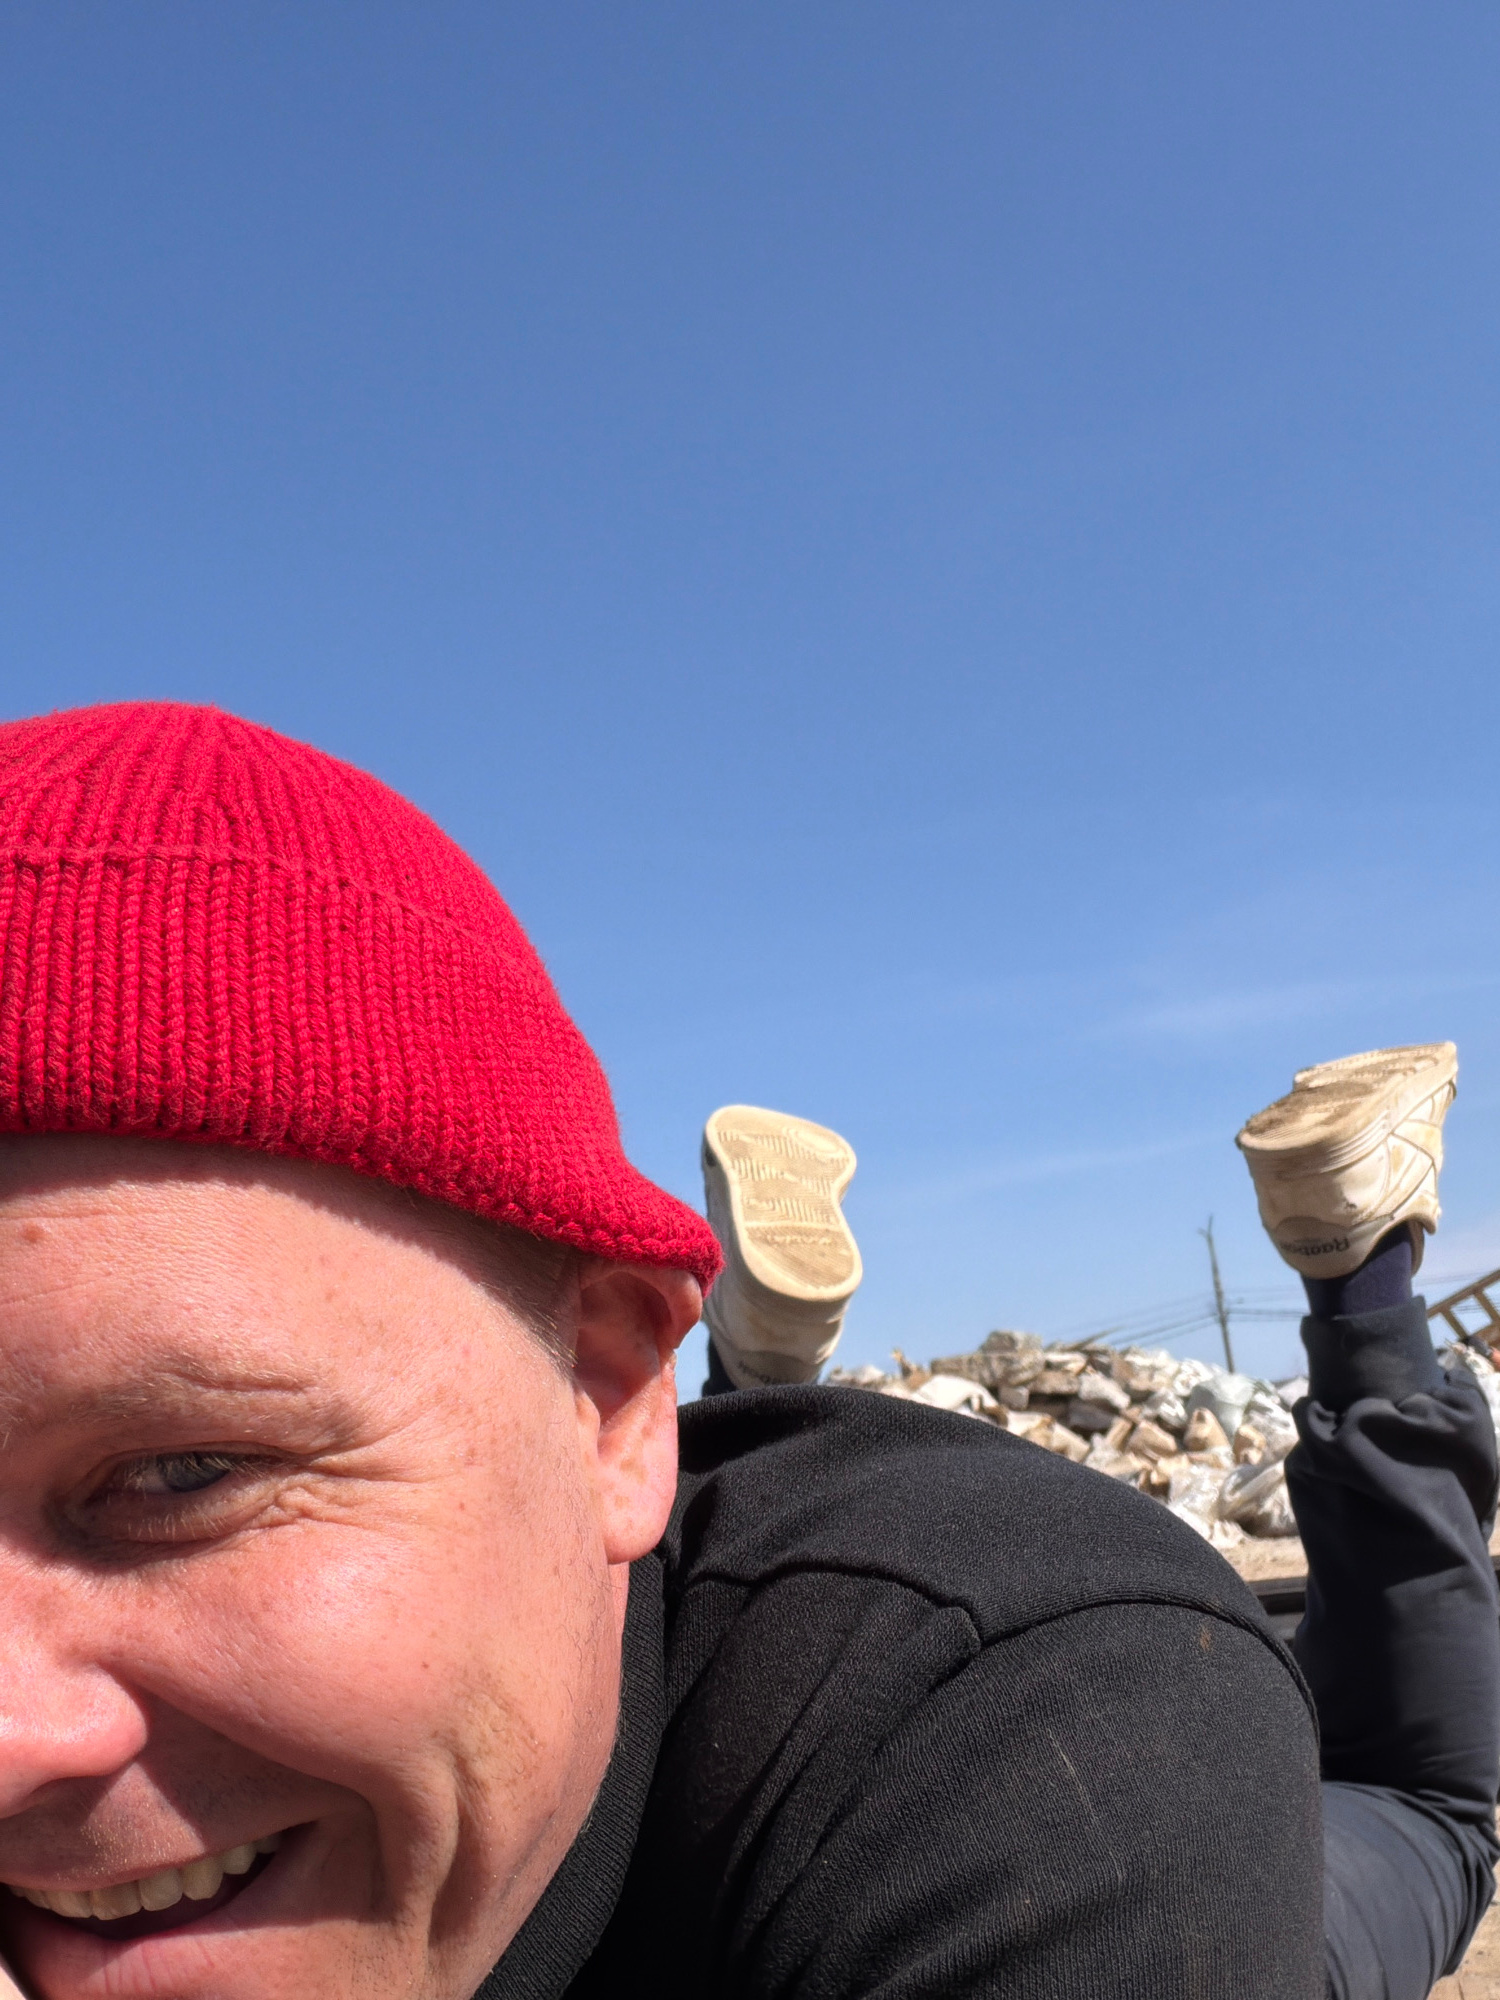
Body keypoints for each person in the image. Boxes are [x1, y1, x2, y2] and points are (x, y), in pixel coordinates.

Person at [0, 701, 1461, 2000]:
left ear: (608, 1397)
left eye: (185, 1473)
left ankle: (1362, 1284)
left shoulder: (1038, 1736)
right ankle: (772, 1365)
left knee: (1428, 1808)